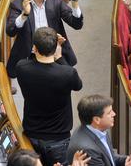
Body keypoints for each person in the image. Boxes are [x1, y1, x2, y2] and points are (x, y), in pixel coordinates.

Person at [16, 27, 83, 166]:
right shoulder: (67, 73)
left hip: (31, 134)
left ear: (34, 48)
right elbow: (78, 85)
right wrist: (59, 57)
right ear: (55, 49)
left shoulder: (22, 67)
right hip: (58, 139)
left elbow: (29, 60)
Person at [6, 0, 83, 78]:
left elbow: (76, 24)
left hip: (54, 52)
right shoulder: (18, 5)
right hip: (31, 56)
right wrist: (24, 14)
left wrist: (75, 4)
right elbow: (10, 31)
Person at [66, 95, 131, 166]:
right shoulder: (88, 149)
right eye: (109, 113)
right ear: (97, 120)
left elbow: (109, 157)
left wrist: (128, 159)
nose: (114, 114)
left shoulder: (97, 129)